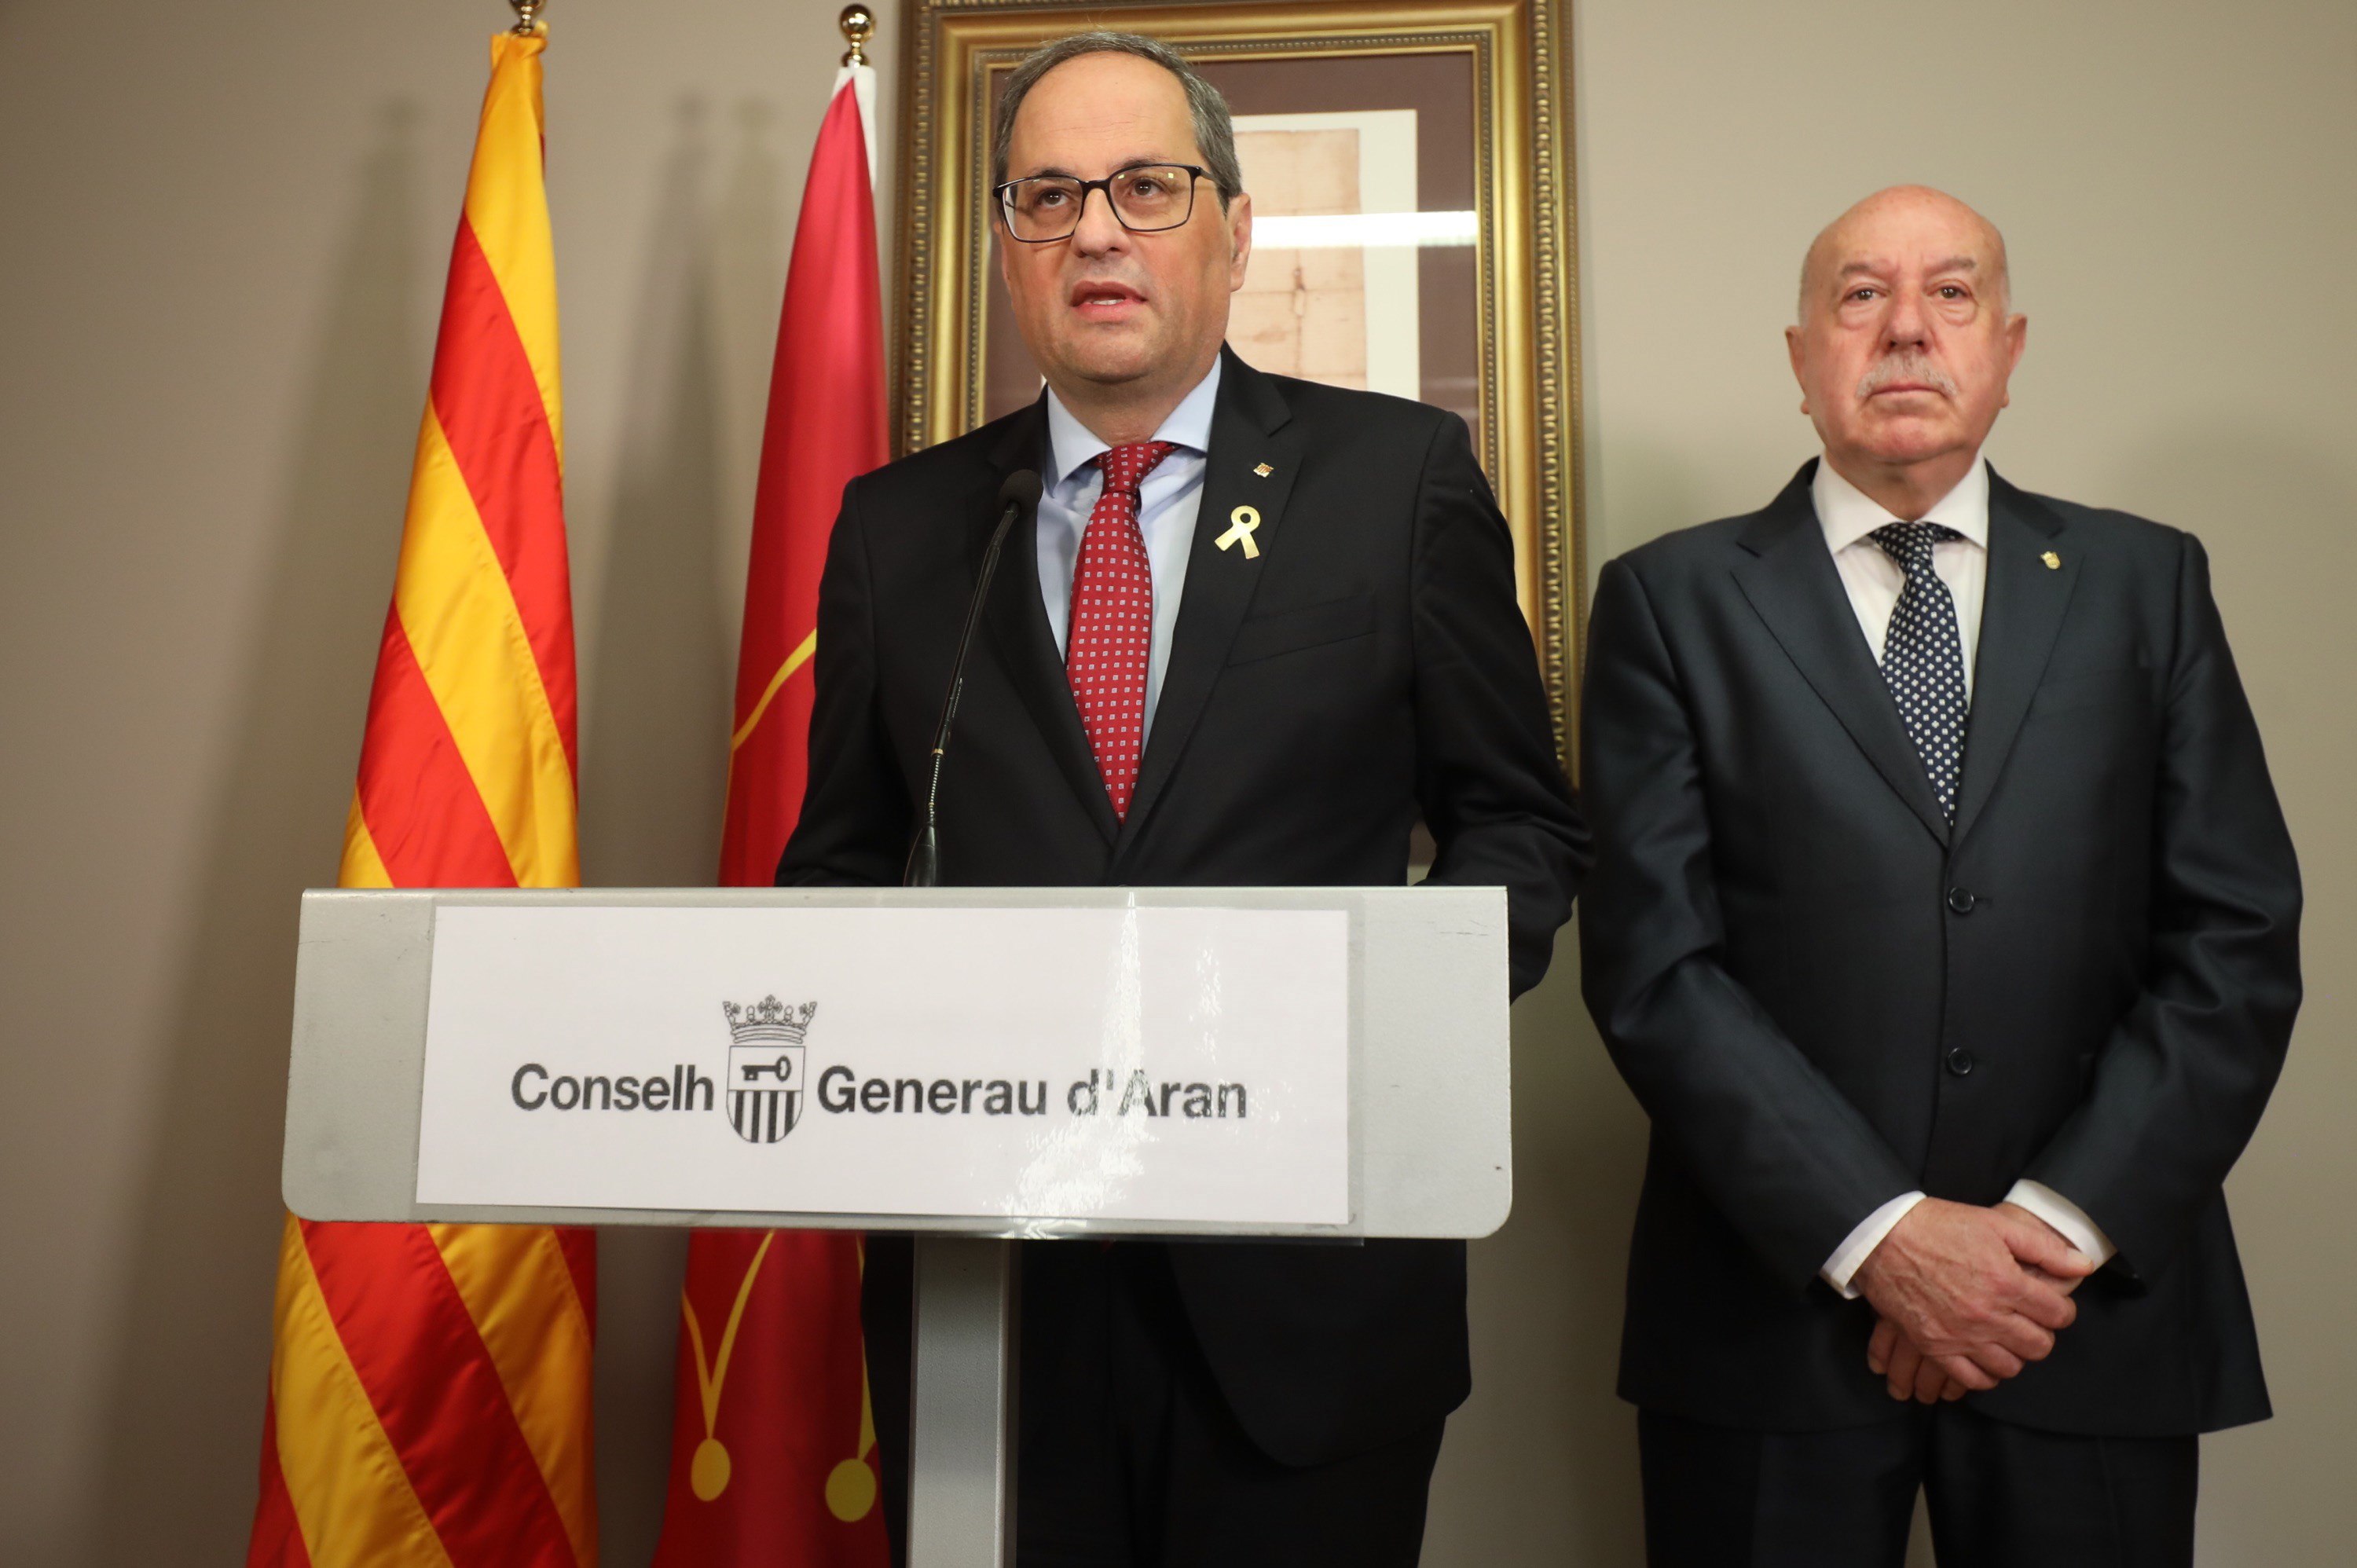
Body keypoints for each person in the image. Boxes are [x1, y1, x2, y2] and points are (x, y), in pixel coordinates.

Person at [779, 30, 1588, 1566]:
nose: (1096, 229)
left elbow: (1524, 822)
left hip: (1306, 1292)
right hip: (991, 1293)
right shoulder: (900, 529)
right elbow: (837, 868)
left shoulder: (1395, 477)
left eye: (1148, 187)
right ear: (1010, 250)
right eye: (1049, 196)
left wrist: (1387, 1025)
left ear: (1234, 229)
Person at [1578, 185, 2301, 1566]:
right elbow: (1655, 967)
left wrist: (2038, 1240)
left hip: (2083, 1319)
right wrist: (1884, 1237)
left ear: (2009, 348)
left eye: (1952, 294)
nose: (1907, 329)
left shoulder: (2149, 583)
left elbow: (2238, 937)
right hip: (1771, 1324)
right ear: (1801, 357)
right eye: (1861, 296)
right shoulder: (1669, 603)